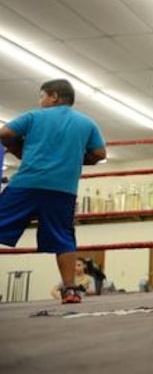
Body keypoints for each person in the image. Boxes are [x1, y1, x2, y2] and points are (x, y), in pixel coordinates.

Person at [0, 79, 107, 303]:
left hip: (27, 184)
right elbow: (99, 154)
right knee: (64, 237)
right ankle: (70, 290)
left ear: (54, 96)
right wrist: (73, 160)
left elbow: (5, 133)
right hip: (63, 190)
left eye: (42, 96)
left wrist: (19, 151)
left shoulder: (33, 116)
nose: (40, 102)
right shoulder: (87, 123)